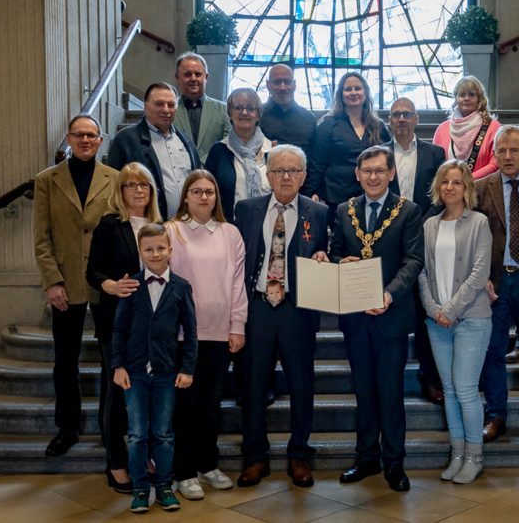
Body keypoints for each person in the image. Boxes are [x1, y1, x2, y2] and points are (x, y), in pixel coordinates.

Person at [233, 144, 329, 488]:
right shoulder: (246, 210)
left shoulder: (318, 213)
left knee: (302, 386)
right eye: (278, 171)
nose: (285, 177)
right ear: (268, 176)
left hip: (297, 310)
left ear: (303, 176)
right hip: (256, 307)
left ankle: (299, 455)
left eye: (293, 171)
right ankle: (255, 457)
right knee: (253, 386)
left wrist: (322, 255)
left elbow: (323, 252)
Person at [331, 145, 423, 492]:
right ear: (357, 174)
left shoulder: (408, 211)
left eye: (379, 171)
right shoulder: (343, 210)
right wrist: (340, 263)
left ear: (391, 173)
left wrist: (389, 293)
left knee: (390, 391)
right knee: (364, 391)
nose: (372, 176)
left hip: (391, 316)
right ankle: (366, 457)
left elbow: (413, 260)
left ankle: (394, 463)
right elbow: (338, 252)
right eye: (366, 170)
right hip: (356, 317)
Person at [33, 115, 119, 457]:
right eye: (79, 135)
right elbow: (41, 238)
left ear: (101, 140)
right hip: (66, 281)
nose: (85, 140)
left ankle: (110, 426)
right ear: (69, 138)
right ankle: (67, 428)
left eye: (92, 135)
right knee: (65, 360)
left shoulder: (114, 179)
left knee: (111, 359)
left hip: (105, 282)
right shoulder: (47, 181)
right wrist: (52, 281)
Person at [166, 169, 248, 500]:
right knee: (185, 405)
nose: (204, 197)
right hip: (183, 334)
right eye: (197, 191)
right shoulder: (172, 231)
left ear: (217, 196)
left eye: (210, 191)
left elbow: (237, 282)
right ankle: (184, 470)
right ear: (185, 196)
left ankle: (207, 464)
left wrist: (237, 325)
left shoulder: (230, 234)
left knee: (211, 405)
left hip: (219, 332)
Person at [87, 162, 163, 494]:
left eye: (143, 185)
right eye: (130, 185)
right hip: (117, 321)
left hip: (154, 324)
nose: (138, 190)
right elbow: (93, 271)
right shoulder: (108, 225)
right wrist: (109, 287)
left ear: (152, 190)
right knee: (118, 393)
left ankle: (143, 454)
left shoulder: (162, 226)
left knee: (147, 394)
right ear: (120, 191)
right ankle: (116, 462)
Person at [111, 223, 198, 513]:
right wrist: (118, 365)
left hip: (166, 372)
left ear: (170, 250)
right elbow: (119, 330)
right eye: (149, 249)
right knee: (136, 433)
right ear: (141, 252)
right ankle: (139, 488)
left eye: (161, 248)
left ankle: (163, 484)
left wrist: (187, 368)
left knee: (163, 432)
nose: (156, 253)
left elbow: (191, 332)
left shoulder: (181, 287)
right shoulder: (132, 286)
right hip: (134, 372)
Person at [418, 160, 492, 484]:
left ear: (467, 188)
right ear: (438, 187)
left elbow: (480, 274)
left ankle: (475, 455)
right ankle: (457, 452)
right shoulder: (429, 225)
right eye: (445, 182)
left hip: (471, 318)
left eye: (457, 182)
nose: (450, 187)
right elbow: (421, 271)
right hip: (437, 321)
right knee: (448, 389)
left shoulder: (479, 223)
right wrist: (434, 308)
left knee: (465, 389)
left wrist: (451, 309)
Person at [474, 125, 519, 445]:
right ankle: (496, 415)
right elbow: (472, 238)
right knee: (492, 351)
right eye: (500, 150)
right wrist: (480, 278)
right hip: (494, 282)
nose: (506, 156)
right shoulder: (479, 188)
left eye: (514, 150)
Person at [384, 97, 447, 404]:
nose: (401, 119)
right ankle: (389, 376)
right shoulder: (378, 155)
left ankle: (429, 376)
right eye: (396, 115)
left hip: (426, 236)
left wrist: (419, 223)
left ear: (417, 118)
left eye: (407, 114)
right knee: (392, 306)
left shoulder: (435, 153)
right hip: (387, 242)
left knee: (425, 311)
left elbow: (440, 195)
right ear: (389, 121)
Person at [305, 71, 391, 225]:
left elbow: (390, 162)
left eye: (357, 88)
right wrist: (313, 192)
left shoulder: (378, 126)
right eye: (348, 89)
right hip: (336, 197)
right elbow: (317, 163)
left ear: (365, 93)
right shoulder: (328, 124)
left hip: (373, 195)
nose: (353, 93)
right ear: (340, 94)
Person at [106, 82, 201, 220]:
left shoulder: (186, 142)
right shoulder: (126, 140)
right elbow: (113, 188)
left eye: (171, 104)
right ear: (145, 106)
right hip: (145, 229)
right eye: (159, 104)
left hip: (186, 227)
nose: (166, 110)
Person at [204, 87, 274, 221]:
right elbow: (208, 191)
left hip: (267, 225)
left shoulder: (272, 150)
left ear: (258, 115)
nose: (244, 112)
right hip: (228, 226)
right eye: (238, 108)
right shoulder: (218, 151)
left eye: (251, 109)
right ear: (230, 113)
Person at [433, 76, 501, 179]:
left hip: (482, 189)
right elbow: (434, 164)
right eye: (462, 95)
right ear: (456, 98)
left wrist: (467, 181)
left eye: (472, 94)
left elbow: (496, 163)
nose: (466, 98)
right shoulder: (442, 129)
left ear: (479, 99)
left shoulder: (493, 127)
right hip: (449, 190)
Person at [172, 52, 231, 163]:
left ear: (206, 77)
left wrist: (202, 163)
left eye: (198, 74)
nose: (193, 79)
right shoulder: (169, 111)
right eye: (187, 74)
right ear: (177, 77)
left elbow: (227, 143)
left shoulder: (224, 110)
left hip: (213, 172)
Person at [259, 64, 317, 164]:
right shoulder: (257, 116)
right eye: (277, 82)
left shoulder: (310, 119)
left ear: (294, 85)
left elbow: (316, 158)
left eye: (287, 82)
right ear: (268, 85)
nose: (282, 87)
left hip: (304, 178)